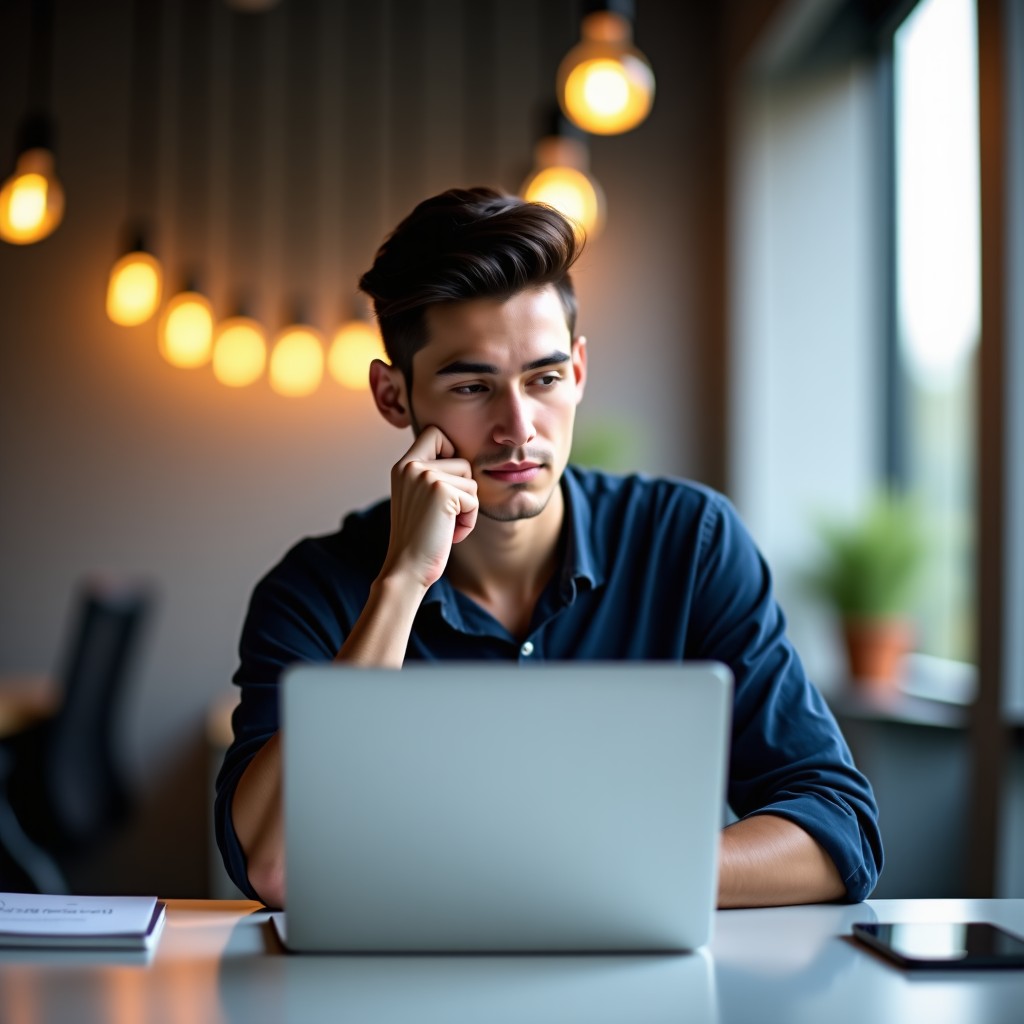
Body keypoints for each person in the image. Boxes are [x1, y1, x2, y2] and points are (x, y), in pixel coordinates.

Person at [215, 187, 883, 911]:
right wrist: (403, 583)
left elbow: (838, 832)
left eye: (545, 379)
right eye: (472, 385)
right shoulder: (315, 589)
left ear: (581, 372)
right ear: (393, 397)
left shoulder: (690, 544)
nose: (518, 427)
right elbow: (276, 866)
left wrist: (591, 876)